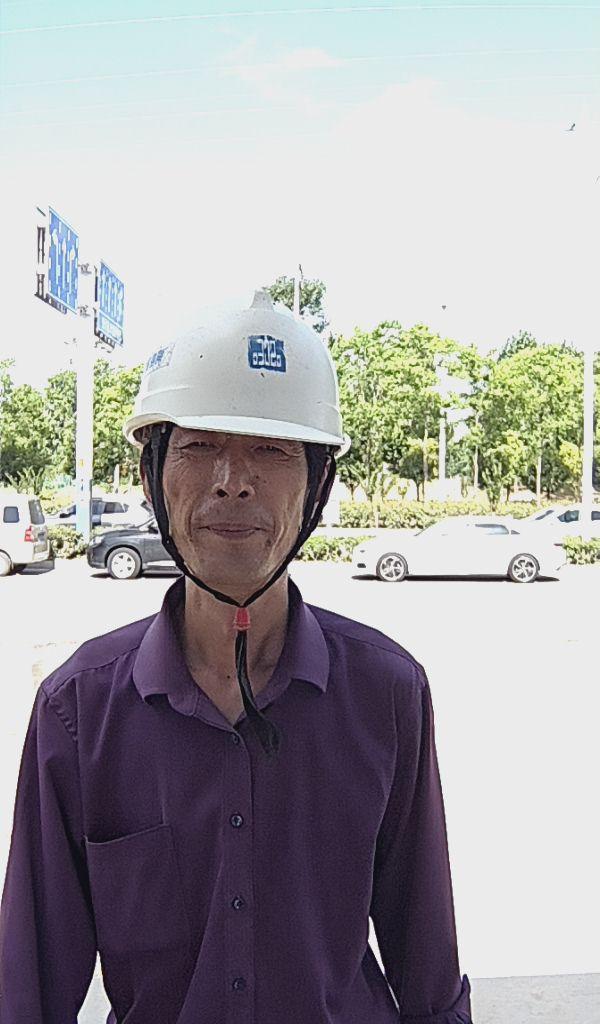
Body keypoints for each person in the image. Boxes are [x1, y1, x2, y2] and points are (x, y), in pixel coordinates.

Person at [0, 290, 473, 1023]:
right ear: (153, 474)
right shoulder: (79, 711)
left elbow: (430, 973)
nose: (232, 480)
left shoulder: (387, 692)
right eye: (199, 446)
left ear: (318, 484)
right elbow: (27, 990)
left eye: (270, 450)